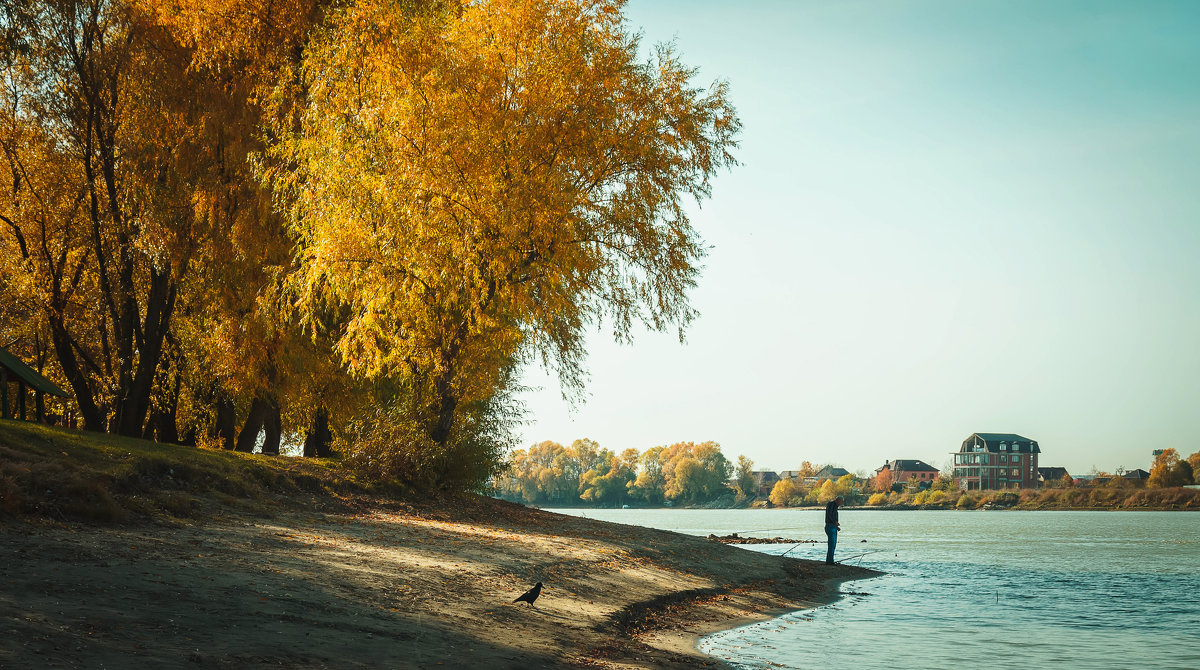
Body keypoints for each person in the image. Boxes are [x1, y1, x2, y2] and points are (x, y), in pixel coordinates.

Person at [824, 496, 843, 565]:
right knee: (832, 545)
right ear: (837, 500)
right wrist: (835, 523)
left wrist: (836, 526)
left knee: (833, 545)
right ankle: (829, 561)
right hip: (830, 526)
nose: (841, 503)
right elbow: (829, 515)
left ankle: (830, 560)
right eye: (841, 501)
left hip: (832, 526)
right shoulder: (831, 505)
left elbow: (831, 515)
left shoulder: (834, 506)